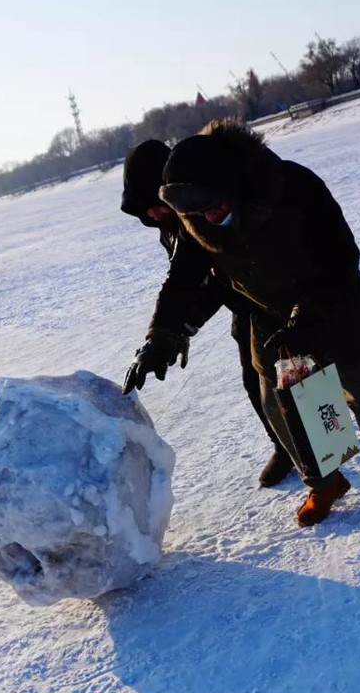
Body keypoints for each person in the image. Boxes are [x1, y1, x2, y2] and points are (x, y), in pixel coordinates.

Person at [153, 119, 360, 527]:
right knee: (288, 403)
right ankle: (326, 480)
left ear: (232, 180)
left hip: (334, 302)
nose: (209, 215)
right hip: (271, 314)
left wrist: (310, 310)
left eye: (214, 203)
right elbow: (184, 279)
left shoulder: (292, 186)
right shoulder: (197, 219)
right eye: (197, 211)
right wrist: (163, 334)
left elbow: (341, 256)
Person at [120, 139, 295, 486]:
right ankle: (287, 448)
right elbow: (187, 282)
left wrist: (177, 331)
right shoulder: (173, 227)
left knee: (298, 376)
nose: (152, 213)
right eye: (142, 209)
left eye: (153, 203)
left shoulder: (202, 213)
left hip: (277, 295)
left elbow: (208, 283)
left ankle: (324, 452)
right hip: (244, 303)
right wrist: (163, 337)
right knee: (254, 381)